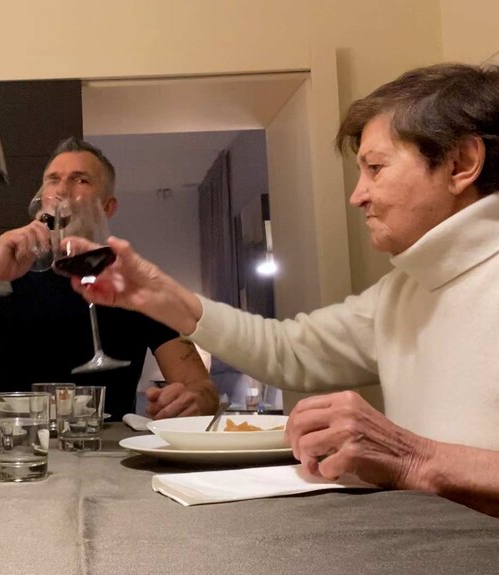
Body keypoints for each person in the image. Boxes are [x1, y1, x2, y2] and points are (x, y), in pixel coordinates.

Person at [68, 63, 499, 517]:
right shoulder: (400, 292)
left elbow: (415, 461)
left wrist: (415, 459)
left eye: (375, 168)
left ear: (461, 164)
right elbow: (287, 350)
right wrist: (156, 293)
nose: (358, 195)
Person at [0, 137, 218, 419]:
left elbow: (201, 388)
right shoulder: (5, 275)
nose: (62, 190)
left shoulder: (135, 284)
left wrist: (193, 401)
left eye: (80, 180)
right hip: (18, 455)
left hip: (110, 461)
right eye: (53, 179)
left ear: (108, 207)